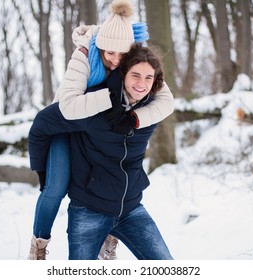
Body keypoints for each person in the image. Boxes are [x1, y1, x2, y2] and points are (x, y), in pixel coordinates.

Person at [28, 0, 174, 260]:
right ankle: (39, 244)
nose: (116, 61)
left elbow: (166, 100)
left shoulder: (138, 63)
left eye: (122, 55)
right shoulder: (84, 55)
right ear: (101, 47)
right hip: (66, 119)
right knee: (55, 187)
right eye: (110, 53)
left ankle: (110, 233)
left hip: (121, 188)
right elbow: (63, 110)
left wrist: (134, 119)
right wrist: (109, 98)